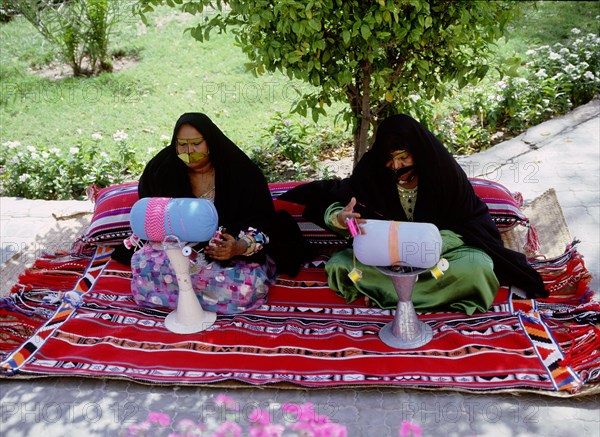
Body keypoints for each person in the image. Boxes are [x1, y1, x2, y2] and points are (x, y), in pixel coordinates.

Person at [279, 114, 548, 315]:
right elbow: (344, 205)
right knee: (341, 268)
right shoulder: (372, 173)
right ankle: (402, 293)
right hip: (386, 259)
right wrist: (339, 219)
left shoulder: (445, 176)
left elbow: (472, 222)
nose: (396, 166)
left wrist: (429, 244)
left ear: (418, 153)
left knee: (478, 269)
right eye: (389, 159)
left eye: (403, 158)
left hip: (442, 259)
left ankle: (388, 295)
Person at [121, 112, 309, 315]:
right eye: (182, 144)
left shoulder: (241, 172)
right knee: (147, 268)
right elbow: (152, 213)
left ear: (210, 142)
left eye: (196, 143)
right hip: (178, 251)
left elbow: (263, 220)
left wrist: (237, 247)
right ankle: (192, 298)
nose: (189, 151)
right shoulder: (162, 170)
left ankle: (183, 296)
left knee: (242, 286)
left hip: (232, 253)